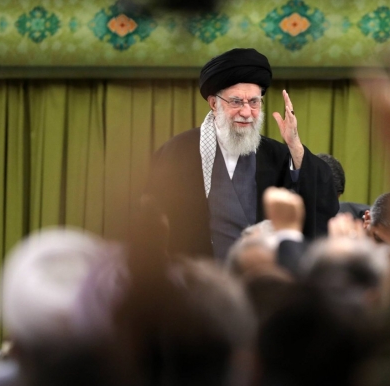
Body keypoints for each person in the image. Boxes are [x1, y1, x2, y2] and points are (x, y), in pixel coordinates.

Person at [144, 48, 338, 261]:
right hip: (197, 274)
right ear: (214, 103)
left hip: (259, 275)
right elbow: (152, 222)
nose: (246, 112)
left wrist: (294, 144)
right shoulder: (177, 152)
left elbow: (319, 196)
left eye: (254, 102)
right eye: (236, 102)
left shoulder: (277, 155)